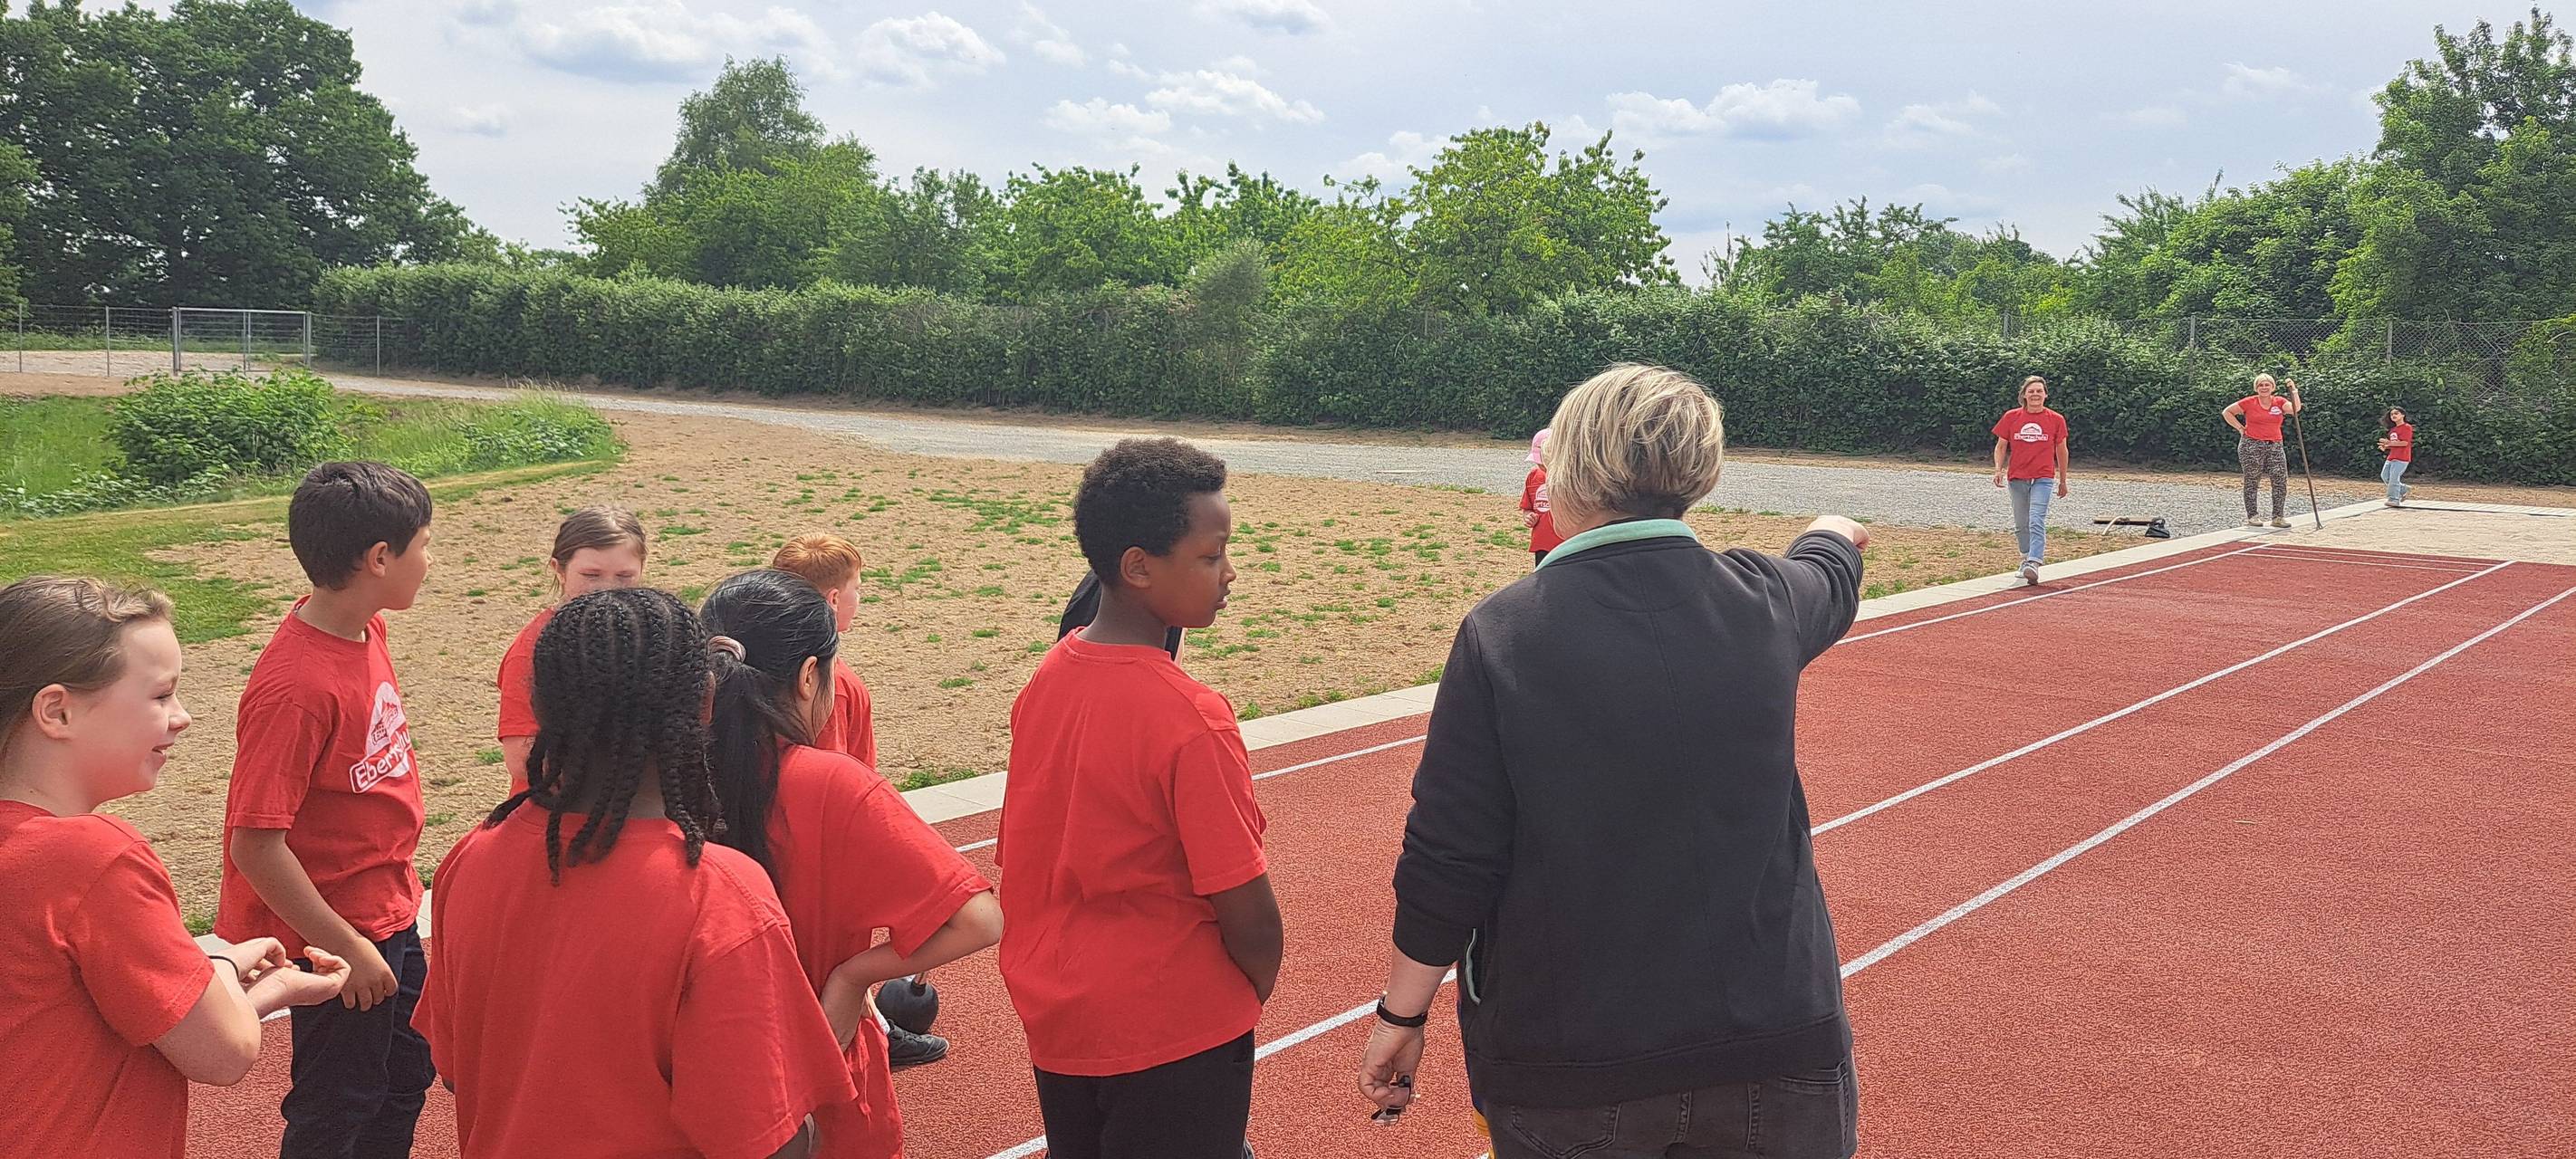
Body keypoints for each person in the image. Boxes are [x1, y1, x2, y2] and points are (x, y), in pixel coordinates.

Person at [1356, 364, 1868, 1159]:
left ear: (1572, 473)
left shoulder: (1505, 634)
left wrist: (1403, 1015)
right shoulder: (1764, 602)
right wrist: (1832, 531)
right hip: (1778, 1042)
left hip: (1571, 1064)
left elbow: (1450, 853)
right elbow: (1829, 576)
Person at [414, 588, 853, 1158]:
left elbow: (453, 1069)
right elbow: (767, 1141)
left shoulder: (469, 859)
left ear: (541, 710)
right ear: (704, 705)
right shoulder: (720, 896)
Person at [1001, 438, 1281, 1159]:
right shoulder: (1190, 716)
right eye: (1211, 555)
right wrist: (1246, 988)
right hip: (1174, 1029)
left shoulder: (1046, 682)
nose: (1230, 575)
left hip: (1063, 1019)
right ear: (1138, 567)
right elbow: (1244, 903)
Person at [1, 577, 349, 1155]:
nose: (182, 717)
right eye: (161, 695)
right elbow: (222, 1052)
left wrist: (214, 969)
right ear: (56, 711)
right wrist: (257, 978)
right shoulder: (91, 856)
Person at [698, 568, 1004, 1155]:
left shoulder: (652, 780)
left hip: (700, 1085)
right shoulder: (833, 787)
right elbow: (979, 919)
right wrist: (854, 974)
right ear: (811, 677)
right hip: (824, 1081)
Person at [216, 460, 438, 1159]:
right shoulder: (297, 687)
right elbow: (254, 843)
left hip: (390, 908)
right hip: (339, 934)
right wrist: (348, 946)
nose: (429, 562)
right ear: (379, 558)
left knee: (406, 1076)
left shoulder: (368, 631)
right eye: (424, 545)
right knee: (335, 1104)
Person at [495, 506, 649, 793]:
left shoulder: (652, 637)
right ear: (559, 569)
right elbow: (520, 759)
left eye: (624, 576)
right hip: (558, 811)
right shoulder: (533, 648)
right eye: (591, 575)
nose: (607, 588)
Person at [767, 534, 878, 765]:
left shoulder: (765, 659)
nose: (859, 598)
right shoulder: (828, 687)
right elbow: (831, 772)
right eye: (856, 589)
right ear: (834, 599)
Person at [1990, 375, 2071, 585]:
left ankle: (2034, 562)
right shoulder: (2011, 417)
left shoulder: (2056, 419)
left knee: (2036, 519)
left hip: (2043, 476)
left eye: (2039, 391)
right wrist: (1998, 470)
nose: (2035, 394)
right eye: (2031, 391)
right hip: (2017, 477)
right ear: (2024, 395)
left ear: (2045, 395)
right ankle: (2025, 557)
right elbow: (2001, 446)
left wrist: (2063, 479)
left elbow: (2061, 450)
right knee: (2021, 523)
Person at [2222, 373, 2304, 529]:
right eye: (2261, 385)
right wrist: (2240, 428)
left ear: (2273, 387)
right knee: (2252, 479)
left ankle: (2278, 517)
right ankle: (2253, 515)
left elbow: (2295, 409)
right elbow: (2227, 412)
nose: (2264, 388)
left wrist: (2294, 391)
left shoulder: (2279, 402)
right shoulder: (2249, 402)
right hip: (2251, 444)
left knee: (2280, 479)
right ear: (2256, 388)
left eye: (2267, 385)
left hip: (2275, 445)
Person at [1521, 428, 1564, 567]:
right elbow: (1527, 508)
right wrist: (1528, 517)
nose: (1541, 465)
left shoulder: (1570, 478)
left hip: (1565, 544)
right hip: (1542, 544)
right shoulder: (1534, 476)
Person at [2378, 406, 2414, 507]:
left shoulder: (2407, 427)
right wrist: (2386, 446)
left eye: (2396, 413)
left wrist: (2389, 442)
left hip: (2402, 458)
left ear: (2403, 415)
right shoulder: (2393, 430)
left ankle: (2394, 499)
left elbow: (2404, 443)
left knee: (2394, 478)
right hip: (2392, 457)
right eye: (2392, 414)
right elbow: (2395, 444)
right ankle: (2403, 489)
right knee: (2385, 476)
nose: (2393, 415)